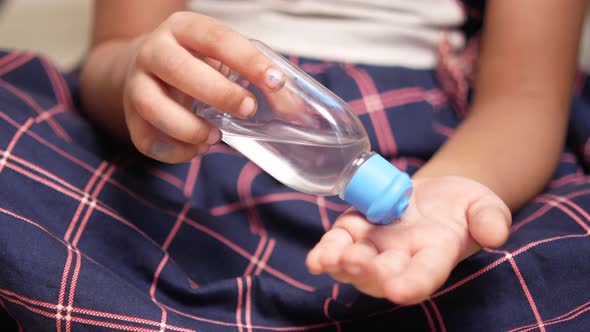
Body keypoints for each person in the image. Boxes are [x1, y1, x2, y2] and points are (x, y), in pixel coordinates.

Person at [1, 0, 589, 330]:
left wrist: (446, 191)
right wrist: (142, 76)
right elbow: (111, 59)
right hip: (191, 144)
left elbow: (526, 99)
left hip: (446, 143)